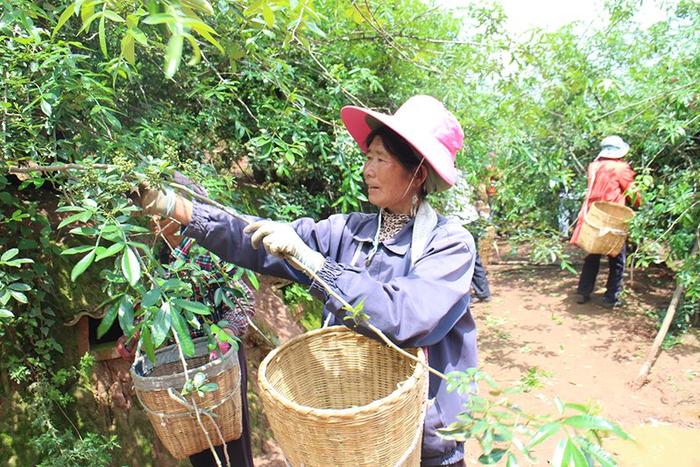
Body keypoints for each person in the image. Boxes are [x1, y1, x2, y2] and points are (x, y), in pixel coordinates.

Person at [137, 95, 477, 466]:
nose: (368, 169)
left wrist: (316, 265)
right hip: (351, 435)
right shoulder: (347, 231)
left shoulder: (449, 245)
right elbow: (257, 238)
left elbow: (404, 318)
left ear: (418, 173)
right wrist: (178, 208)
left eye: (381, 159)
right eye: (368, 157)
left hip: (420, 441)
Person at [124, 173, 257, 467]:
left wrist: (225, 334)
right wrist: (136, 338)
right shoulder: (159, 257)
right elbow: (157, 314)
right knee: (198, 446)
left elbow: (244, 300)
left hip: (219, 364)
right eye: (150, 213)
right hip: (181, 367)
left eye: (159, 211)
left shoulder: (208, 248)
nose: (153, 221)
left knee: (232, 447)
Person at [570, 135, 641, 308]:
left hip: (594, 215)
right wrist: (639, 204)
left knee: (592, 254)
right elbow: (633, 193)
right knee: (616, 257)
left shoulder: (594, 166)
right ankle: (611, 297)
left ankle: (583, 291)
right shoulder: (621, 168)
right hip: (613, 217)